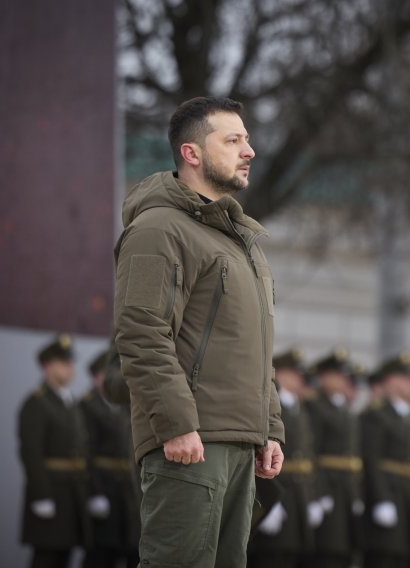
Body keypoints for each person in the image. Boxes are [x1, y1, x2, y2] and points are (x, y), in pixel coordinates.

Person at [113, 96, 285, 568]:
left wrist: (269, 428)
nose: (248, 150)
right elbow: (141, 332)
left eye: (247, 140)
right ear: (192, 153)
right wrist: (175, 423)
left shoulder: (239, 241)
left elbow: (256, 348)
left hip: (237, 443)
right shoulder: (159, 229)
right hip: (190, 444)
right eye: (233, 140)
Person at [18, 334, 90, 568]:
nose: (70, 368)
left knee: (63, 557)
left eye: (70, 362)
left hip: (71, 495)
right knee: (47, 559)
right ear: (47, 366)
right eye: (63, 362)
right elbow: (31, 453)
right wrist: (41, 496)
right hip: (51, 492)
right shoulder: (37, 403)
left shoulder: (70, 403)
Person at [360, 352, 410, 568]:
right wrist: (381, 499)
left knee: (406, 558)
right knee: (385, 557)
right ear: (390, 381)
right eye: (405, 378)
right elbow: (372, 460)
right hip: (389, 498)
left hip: (409, 501)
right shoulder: (377, 414)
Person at [249, 349, 320, 568]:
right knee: (271, 556)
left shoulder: (300, 408)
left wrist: (312, 496)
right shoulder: (272, 404)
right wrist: (263, 499)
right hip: (276, 490)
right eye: (297, 375)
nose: (301, 381)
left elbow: (308, 456)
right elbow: (258, 453)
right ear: (283, 374)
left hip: (297, 495)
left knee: (293, 556)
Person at [79, 350, 140, 568]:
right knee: (102, 554)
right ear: (97, 377)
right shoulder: (86, 406)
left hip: (127, 491)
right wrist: (94, 492)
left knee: (133, 550)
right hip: (104, 487)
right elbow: (85, 453)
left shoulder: (126, 407)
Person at [304, 348, 364, 568]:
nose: (341, 381)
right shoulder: (314, 406)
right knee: (326, 550)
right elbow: (311, 453)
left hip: (345, 490)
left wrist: (356, 494)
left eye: (343, 376)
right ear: (323, 377)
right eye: (336, 376)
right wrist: (318, 493)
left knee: (344, 552)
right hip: (327, 487)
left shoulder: (344, 409)